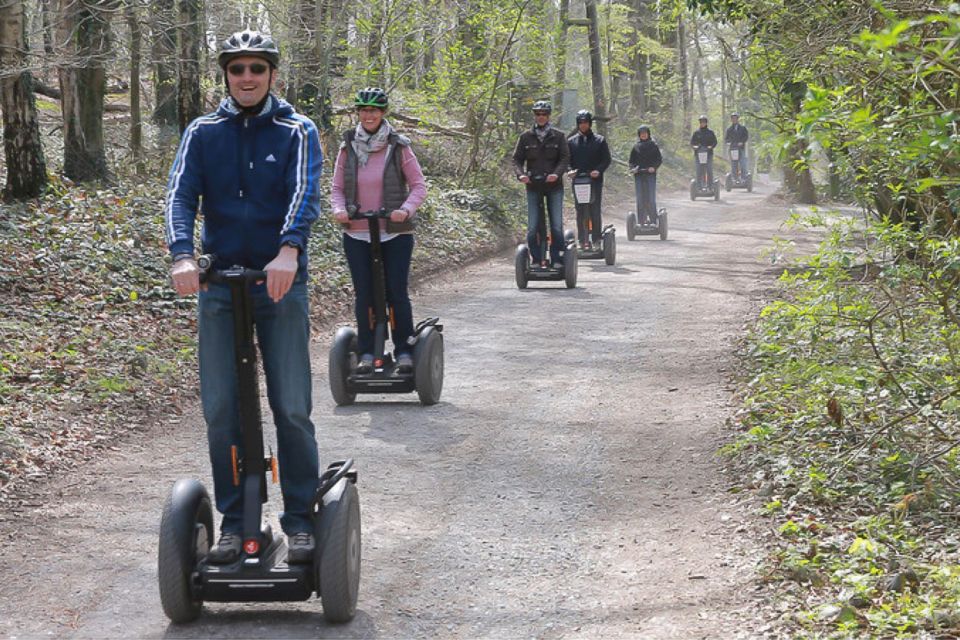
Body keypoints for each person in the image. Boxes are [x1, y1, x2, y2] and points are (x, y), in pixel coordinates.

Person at [165, 30, 322, 564]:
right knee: (222, 409)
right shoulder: (203, 131)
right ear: (226, 76)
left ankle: (300, 519)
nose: (247, 78)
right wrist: (183, 254)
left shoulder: (298, 130)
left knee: (291, 406)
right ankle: (236, 521)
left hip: (279, 284)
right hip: (219, 287)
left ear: (272, 73)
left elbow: (305, 191)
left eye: (257, 68)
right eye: (238, 69)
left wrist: (289, 250)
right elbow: (181, 193)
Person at [331, 87, 427, 375]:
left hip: (394, 232)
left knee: (396, 292)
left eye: (373, 110)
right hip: (357, 232)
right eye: (363, 110)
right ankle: (369, 352)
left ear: (383, 113)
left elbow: (419, 186)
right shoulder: (347, 146)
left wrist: (405, 210)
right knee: (365, 294)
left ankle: (404, 350)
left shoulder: (399, 146)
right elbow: (337, 188)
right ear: (358, 113)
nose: (368, 115)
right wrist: (339, 209)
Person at [512, 100, 570, 267]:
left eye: (544, 114)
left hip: (554, 187)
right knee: (532, 226)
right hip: (533, 185)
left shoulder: (558, 136)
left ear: (549, 116)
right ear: (534, 116)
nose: (541, 117)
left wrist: (556, 174)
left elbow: (565, 158)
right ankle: (537, 259)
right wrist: (521, 175)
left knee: (556, 225)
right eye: (538, 114)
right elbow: (516, 159)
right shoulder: (525, 137)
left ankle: (557, 258)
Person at [566, 109, 611, 249]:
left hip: (595, 181)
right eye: (580, 123)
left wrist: (598, 170)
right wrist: (569, 171)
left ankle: (596, 239)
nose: (583, 125)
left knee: (594, 209)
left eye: (585, 122)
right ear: (578, 124)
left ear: (590, 123)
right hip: (578, 181)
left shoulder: (600, 140)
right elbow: (567, 160)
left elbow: (606, 160)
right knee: (580, 210)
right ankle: (582, 240)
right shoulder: (571, 142)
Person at [629, 125, 663, 223]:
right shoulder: (636, 147)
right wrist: (632, 169)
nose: (643, 135)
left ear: (648, 134)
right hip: (639, 175)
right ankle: (641, 221)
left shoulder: (653, 145)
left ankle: (653, 220)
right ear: (639, 135)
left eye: (645, 133)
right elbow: (631, 161)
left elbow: (659, 159)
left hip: (650, 175)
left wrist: (654, 167)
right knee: (640, 199)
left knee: (651, 198)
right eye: (641, 133)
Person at [690, 114, 718, 185]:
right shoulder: (696, 133)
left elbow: (715, 142)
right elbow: (692, 142)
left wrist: (711, 146)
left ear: (706, 123)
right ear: (700, 123)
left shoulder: (710, 132)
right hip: (698, 154)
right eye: (701, 122)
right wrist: (694, 147)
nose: (702, 123)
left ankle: (710, 185)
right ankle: (699, 186)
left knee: (709, 169)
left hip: (708, 154)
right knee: (699, 169)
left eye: (704, 122)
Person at [724, 112, 749, 179]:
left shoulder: (743, 128)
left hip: (741, 149)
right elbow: (726, 139)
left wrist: (742, 142)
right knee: (734, 164)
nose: (734, 119)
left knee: (742, 163)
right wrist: (728, 143)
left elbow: (746, 137)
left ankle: (744, 178)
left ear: (738, 119)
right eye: (733, 118)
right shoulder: (729, 129)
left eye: (735, 118)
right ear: (731, 119)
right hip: (733, 149)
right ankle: (734, 178)